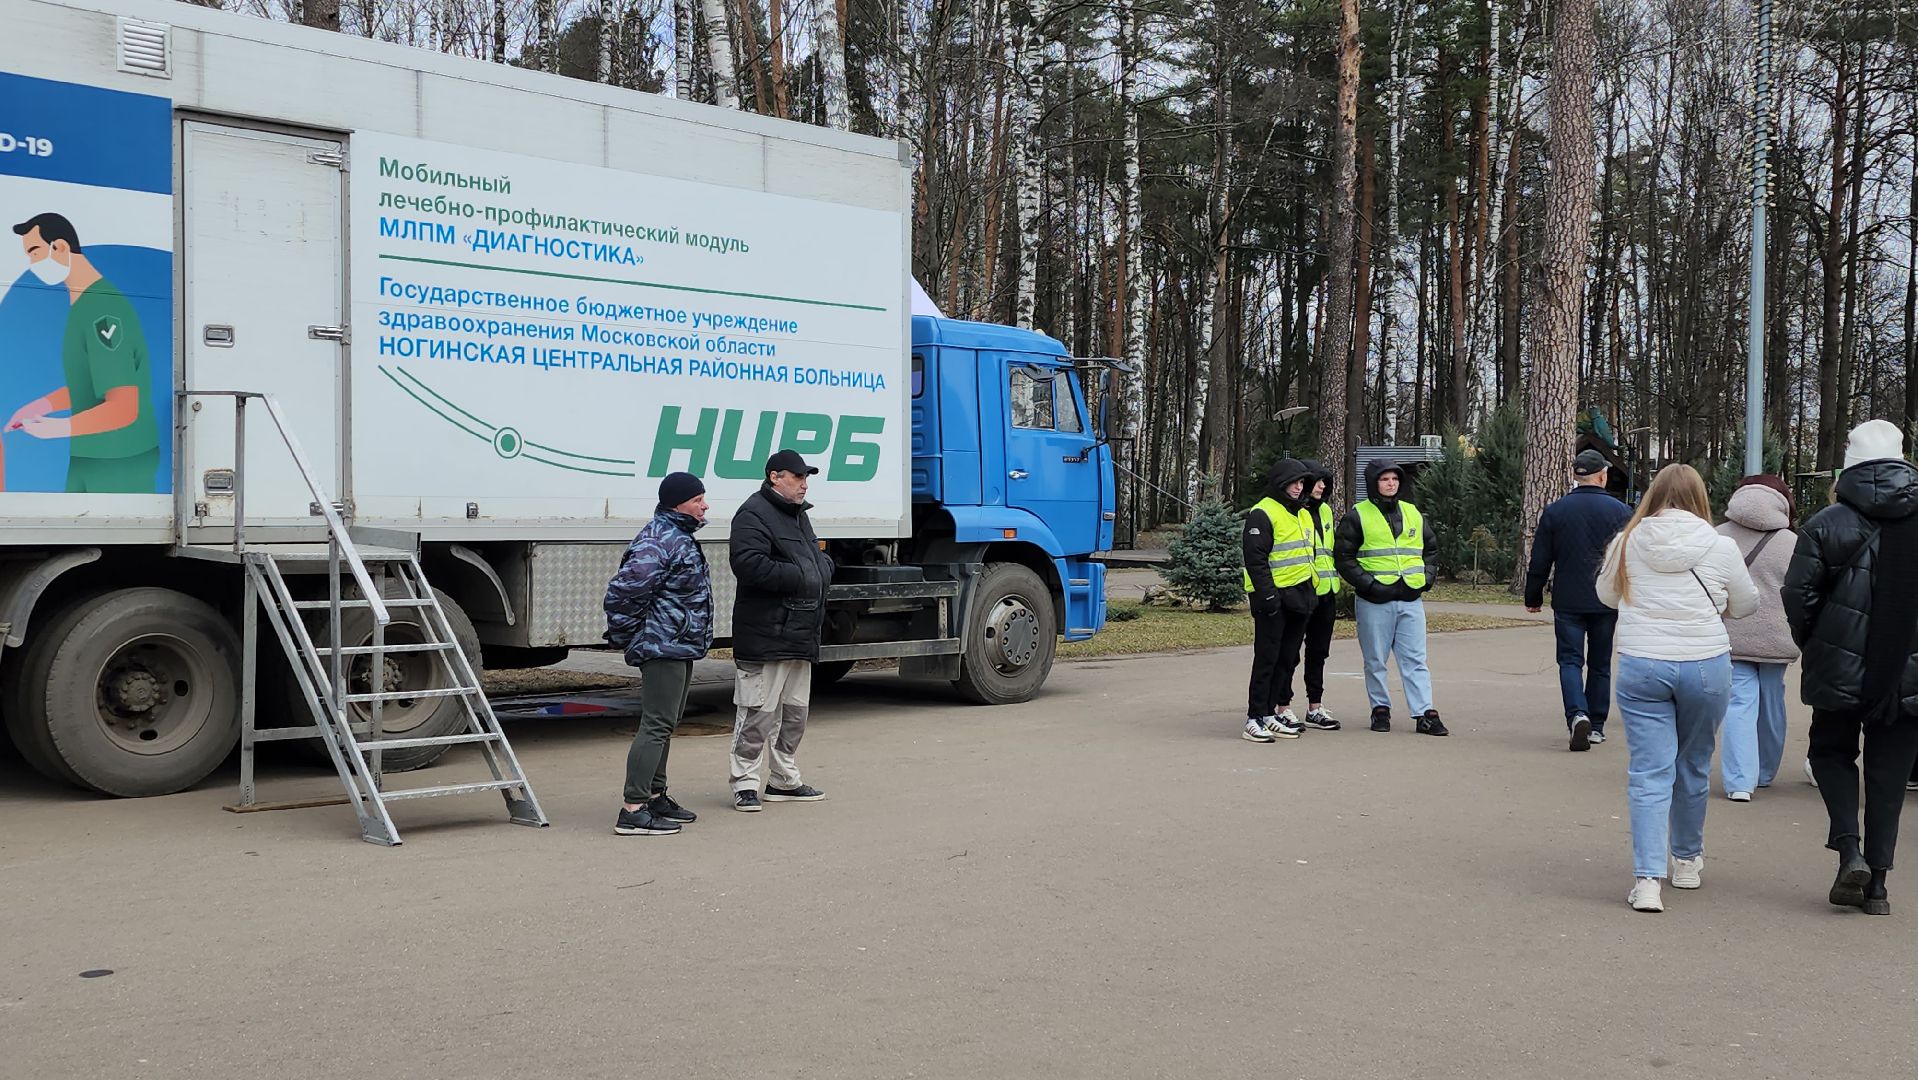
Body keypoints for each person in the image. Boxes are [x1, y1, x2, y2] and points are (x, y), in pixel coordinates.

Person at [1597, 464, 1758, 913]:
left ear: (1652, 495)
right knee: (1694, 764)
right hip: (1706, 664)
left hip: (1643, 662)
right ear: (1700, 498)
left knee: (1649, 772)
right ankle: (1686, 860)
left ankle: (1647, 880)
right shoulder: (1721, 546)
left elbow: (1606, 596)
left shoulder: (1626, 542)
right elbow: (1746, 604)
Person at [1782, 419, 1918, 916]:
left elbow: (1798, 596)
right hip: (1908, 671)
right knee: (1889, 775)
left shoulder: (1824, 523)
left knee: (1830, 752)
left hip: (1838, 664)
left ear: (1849, 466)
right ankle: (1878, 887)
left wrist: (1817, 644)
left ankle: (1848, 850)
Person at [6, 214, 161, 493]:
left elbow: (123, 407)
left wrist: (58, 428)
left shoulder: (103, 311)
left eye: (34, 252)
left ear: (61, 247)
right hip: (92, 455)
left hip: (118, 460)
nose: (31, 264)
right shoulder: (83, 304)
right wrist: (43, 405)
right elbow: (93, 383)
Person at [603, 472, 714, 836]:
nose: (705, 505)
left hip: (679, 644)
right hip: (661, 645)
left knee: (668, 722)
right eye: (698, 499)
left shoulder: (678, 536)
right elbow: (624, 593)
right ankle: (633, 808)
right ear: (678, 503)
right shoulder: (658, 540)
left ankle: (655, 794)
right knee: (656, 723)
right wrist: (631, 636)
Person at [728, 449, 835, 811]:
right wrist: (805, 575)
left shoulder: (798, 517)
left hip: (800, 634)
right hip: (766, 635)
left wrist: (822, 568)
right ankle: (745, 782)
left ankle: (784, 779)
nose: (804, 483)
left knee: (794, 714)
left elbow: (814, 558)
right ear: (775, 476)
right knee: (757, 713)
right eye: (798, 476)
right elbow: (749, 565)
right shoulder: (753, 513)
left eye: (806, 478)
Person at [1525, 449, 1633, 751]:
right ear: (1602, 475)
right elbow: (1629, 558)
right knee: (1600, 663)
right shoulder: (1621, 512)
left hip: (1568, 598)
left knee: (1570, 661)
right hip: (1605, 598)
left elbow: (1540, 560)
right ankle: (1597, 724)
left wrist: (1533, 596)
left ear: (1575, 475)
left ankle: (1577, 714)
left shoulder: (1556, 511)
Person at [1334, 459, 1447, 737]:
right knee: (1375, 660)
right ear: (1374, 483)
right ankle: (1380, 709)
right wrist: (1369, 586)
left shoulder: (1413, 513)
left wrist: (1427, 578)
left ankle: (1425, 713)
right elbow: (1344, 558)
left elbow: (1430, 550)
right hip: (1374, 600)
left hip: (1410, 597)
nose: (1391, 484)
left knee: (1416, 659)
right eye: (1385, 479)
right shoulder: (1357, 515)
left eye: (1395, 479)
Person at [1715, 475, 1799, 802]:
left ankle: (1739, 781)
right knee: (1773, 700)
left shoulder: (1718, 536)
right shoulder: (1791, 542)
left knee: (1738, 702)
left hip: (1731, 633)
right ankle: (1764, 770)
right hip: (1778, 637)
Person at [1240, 458, 1316, 742]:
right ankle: (1254, 718)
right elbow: (1255, 559)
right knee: (1267, 659)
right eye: (1294, 483)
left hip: (1300, 597)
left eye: (1302, 483)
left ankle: (1270, 713)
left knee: (1287, 659)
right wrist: (1269, 596)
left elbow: (1309, 556)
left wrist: (1312, 593)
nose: (1298, 488)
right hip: (1272, 599)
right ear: (1281, 483)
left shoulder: (1303, 514)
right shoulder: (1262, 512)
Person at [1295, 459, 1343, 731]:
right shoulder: (1294, 511)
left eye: (1326, 482)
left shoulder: (1325, 512)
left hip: (1326, 592)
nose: (1323, 486)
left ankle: (1315, 706)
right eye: (1318, 481)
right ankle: (1282, 706)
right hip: (1300, 591)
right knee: (1289, 653)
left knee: (1318, 652)